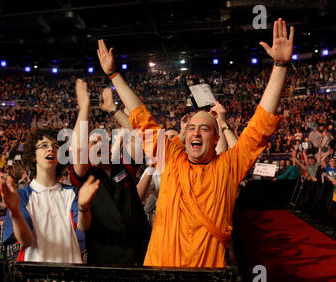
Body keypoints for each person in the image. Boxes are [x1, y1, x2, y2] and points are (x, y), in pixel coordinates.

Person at [96, 17, 293, 267]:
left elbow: (259, 127)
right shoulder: (170, 160)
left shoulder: (229, 167)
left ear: (216, 138)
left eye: (204, 129)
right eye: (191, 128)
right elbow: (141, 117)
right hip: (161, 280)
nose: (195, 133)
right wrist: (114, 75)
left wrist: (280, 65)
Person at [70, 79, 151, 266]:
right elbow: (78, 149)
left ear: (110, 146)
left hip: (142, 253)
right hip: (105, 258)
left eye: (102, 140)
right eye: (92, 142)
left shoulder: (124, 165)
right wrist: (85, 107)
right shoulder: (84, 175)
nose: (97, 144)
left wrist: (113, 109)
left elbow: (138, 136)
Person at [1, 128, 100, 263]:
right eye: (44, 145)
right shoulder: (22, 196)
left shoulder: (72, 193)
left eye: (56, 146)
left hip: (70, 270)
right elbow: (26, 240)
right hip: (34, 274)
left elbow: (83, 226)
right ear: (33, 156)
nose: (50, 149)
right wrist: (15, 212)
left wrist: (83, 207)